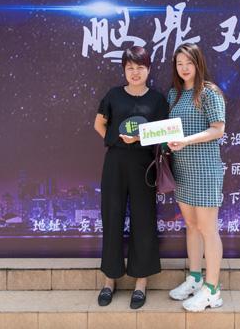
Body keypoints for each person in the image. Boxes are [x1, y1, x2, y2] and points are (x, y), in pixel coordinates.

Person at [93, 46, 168, 309]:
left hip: (144, 166)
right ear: (124, 70)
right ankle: (109, 281)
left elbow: (164, 132)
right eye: (130, 68)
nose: (135, 73)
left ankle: (140, 283)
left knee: (144, 221)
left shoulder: (157, 100)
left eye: (140, 67)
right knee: (112, 218)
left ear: (149, 69)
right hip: (115, 163)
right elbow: (99, 124)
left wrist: (139, 138)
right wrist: (116, 140)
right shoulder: (113, 95)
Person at [166, 43, 227, 312]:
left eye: (188, 62)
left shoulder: (209, 92)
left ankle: (212, 290)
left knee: (207, 229)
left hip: (205, 170)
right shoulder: (174, 94)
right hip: (182, 171)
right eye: (179, 64)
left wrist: (186, 140)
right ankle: (195, 278)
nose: (184, 68)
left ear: (198, 63)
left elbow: (218, 130)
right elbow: (169, 129)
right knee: (191, 226)